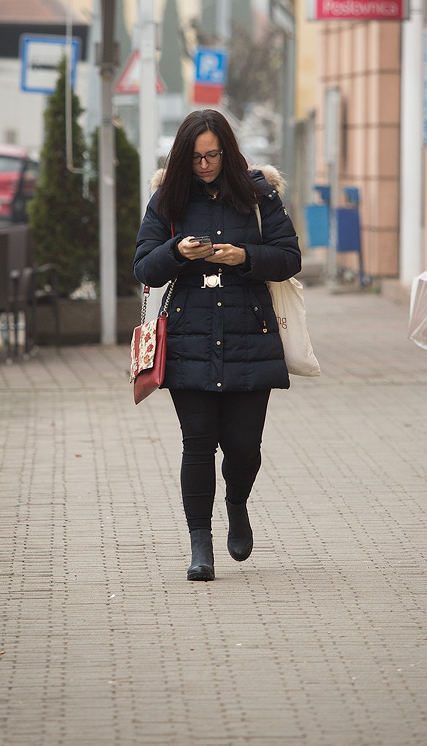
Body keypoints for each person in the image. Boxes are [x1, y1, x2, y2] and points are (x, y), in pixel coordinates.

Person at [133, 109, 301, 580]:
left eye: (212, 155)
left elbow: (290, 257)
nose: (204, 165)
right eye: (195, 157)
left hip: (251, 333)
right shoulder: (167, 200)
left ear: (226, 152)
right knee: (198, 443)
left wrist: (246, 256)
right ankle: (200, 544)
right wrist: (176, 252)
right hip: (190, 335)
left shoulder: (258, 195)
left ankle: (238, 501)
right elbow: (143, 267)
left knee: (245, 447)